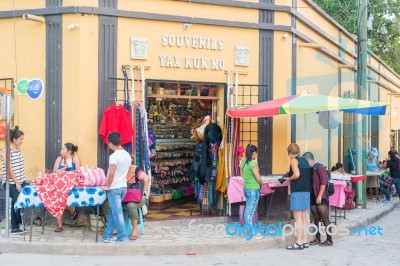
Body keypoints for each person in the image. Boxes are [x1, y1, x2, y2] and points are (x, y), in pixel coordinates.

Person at [103, 132, 131, 244]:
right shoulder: (127, 155)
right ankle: (107, 236)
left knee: (117, 213)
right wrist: (123, 179)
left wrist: (107, 186)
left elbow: (111, 173)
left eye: (108, 143)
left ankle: (121, 237)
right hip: (123, 187)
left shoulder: (113, 156)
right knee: (113, 212)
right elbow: (129, 172)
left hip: (114, 188)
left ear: (110, 143)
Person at [303, 152, 333, 247]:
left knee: (324, 218)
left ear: (308, 160)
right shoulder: (310, 169)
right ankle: (317, 238)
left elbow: (324, 183)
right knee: (316, 218)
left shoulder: (320, 167)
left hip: (321, 196)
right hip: (312, 195)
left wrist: (320, 196)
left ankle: (329, 240)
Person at [1, 126, 28, 235]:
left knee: (15, 204)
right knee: (17, 203)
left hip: (21, 181)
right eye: (20, 139)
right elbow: (9, 168)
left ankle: (15, 227)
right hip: (12, 183)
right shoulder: (6, 150)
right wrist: (17, 182)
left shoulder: (17, 149)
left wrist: (21, 181)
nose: (21, 141)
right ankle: (15, 226)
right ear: (14, 139)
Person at [285, 143, 311, 250]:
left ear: (290, 153)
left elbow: (296, 174)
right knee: (304, 217)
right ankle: (305, 240)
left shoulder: (293, 160)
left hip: (298, 191)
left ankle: (299, 242)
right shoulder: (305, 160)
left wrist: (289, 179)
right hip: (306, 191)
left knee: (298, 218)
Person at [52, 142, 81, 232]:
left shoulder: (74, 158)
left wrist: (69, 174)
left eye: (63, 149)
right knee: (57, 199)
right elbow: (54, 172)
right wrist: (63, 169)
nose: (61, 150)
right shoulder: (59, 159)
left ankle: (71, 209)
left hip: (71, 183)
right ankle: (60, 224)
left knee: (62, 199)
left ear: (69, 151)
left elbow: (78, 172)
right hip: (60, 184)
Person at [240, 144, 263, 240]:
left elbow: (242, 176)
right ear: (254, 153)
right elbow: (258, 177)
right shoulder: (252, 163)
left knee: (248, 211)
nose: (257, 155)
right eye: (256, 153)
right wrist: (261, 183)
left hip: (247, 188)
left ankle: (250, 230)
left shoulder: (243, 162)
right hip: (253, 189)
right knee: (250, 211)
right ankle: (252, 233)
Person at [125, 165, 150, 240]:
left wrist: (142, 193)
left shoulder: (134, 169)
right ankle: (114, 227)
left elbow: (147, 179)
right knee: (107, 203)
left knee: (131, 205)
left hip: (137, 198)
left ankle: (135, 229)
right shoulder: (118, 169)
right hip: (123, 197)